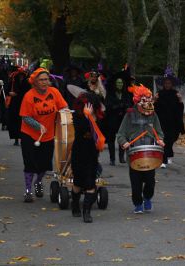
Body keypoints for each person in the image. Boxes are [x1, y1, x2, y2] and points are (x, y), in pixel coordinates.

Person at [19, 68, 68, 202]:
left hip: (48, 135)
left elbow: (64, 107)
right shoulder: (29, 96)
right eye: (41, 80)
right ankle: (28, 191)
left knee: (44, 164)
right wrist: (38, 125)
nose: (44, 82)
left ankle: (38, 181)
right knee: (29, 163)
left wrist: (66, 114)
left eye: (46, 79)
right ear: (34, 82)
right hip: (29, 135)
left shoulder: (54, 92)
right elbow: (25, 117)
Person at [117, 85, 165, 214]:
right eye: (145, 100)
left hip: (150, 153)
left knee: (150, 182)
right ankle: (138, 203)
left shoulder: (153, 115)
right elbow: (120, 134)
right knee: (136, 183)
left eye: (150, 99)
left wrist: (160, 139)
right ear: (138, 100)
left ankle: (147, 198)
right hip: (135, 153)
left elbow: (159, 132)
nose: (148, 103)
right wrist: (124, 143)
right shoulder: (129, 115)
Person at [71, 92, 105, 223]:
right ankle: (75, 206)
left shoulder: (100, 117)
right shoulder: (77, 116)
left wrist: (92, 117)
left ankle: (87, 212)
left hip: (92, 155)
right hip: (79, 153)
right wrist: (87, 117)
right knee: (78, 184)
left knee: (91, 183)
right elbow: (80, 130)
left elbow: (101, 133)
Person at [154, 70, 185, 168]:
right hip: (162, 121)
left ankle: (168, 154)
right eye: (166, 83)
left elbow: (180, 109)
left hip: (173, 121)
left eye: (169, 83)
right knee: (164, 139)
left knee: (171, 139)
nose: (167, 85)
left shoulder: (176, 94)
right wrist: (154, 100)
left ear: (172, 84)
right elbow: (155, 108)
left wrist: (180, 100)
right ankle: (164, 160)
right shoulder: (159, 93)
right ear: (163, 84)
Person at [105, 74, 132, 165]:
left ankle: (121, 156)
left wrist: (126, 106)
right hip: (112, 119)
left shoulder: (126, 94)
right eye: (118, 83)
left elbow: (129, 104)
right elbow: (108, 105)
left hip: (123, 119)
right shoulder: (110, 94)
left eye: (121, 83)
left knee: (122, 137)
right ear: (115, 84)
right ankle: (112, 159)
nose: (119, 85)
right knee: (111, 139)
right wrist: (117, 106)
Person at [7, 68, 30, 146]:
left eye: (22, 75)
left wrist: (17, 94)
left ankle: (22, 138)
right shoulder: (13, 81)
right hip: (15, 104)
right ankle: (16, 139)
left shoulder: (27, 82)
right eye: (19, 75)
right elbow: (7, 90)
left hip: (24, 103)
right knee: (15, 121)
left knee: (23, 121)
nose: (21, 77)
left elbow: (27, 92)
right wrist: (10, 93)